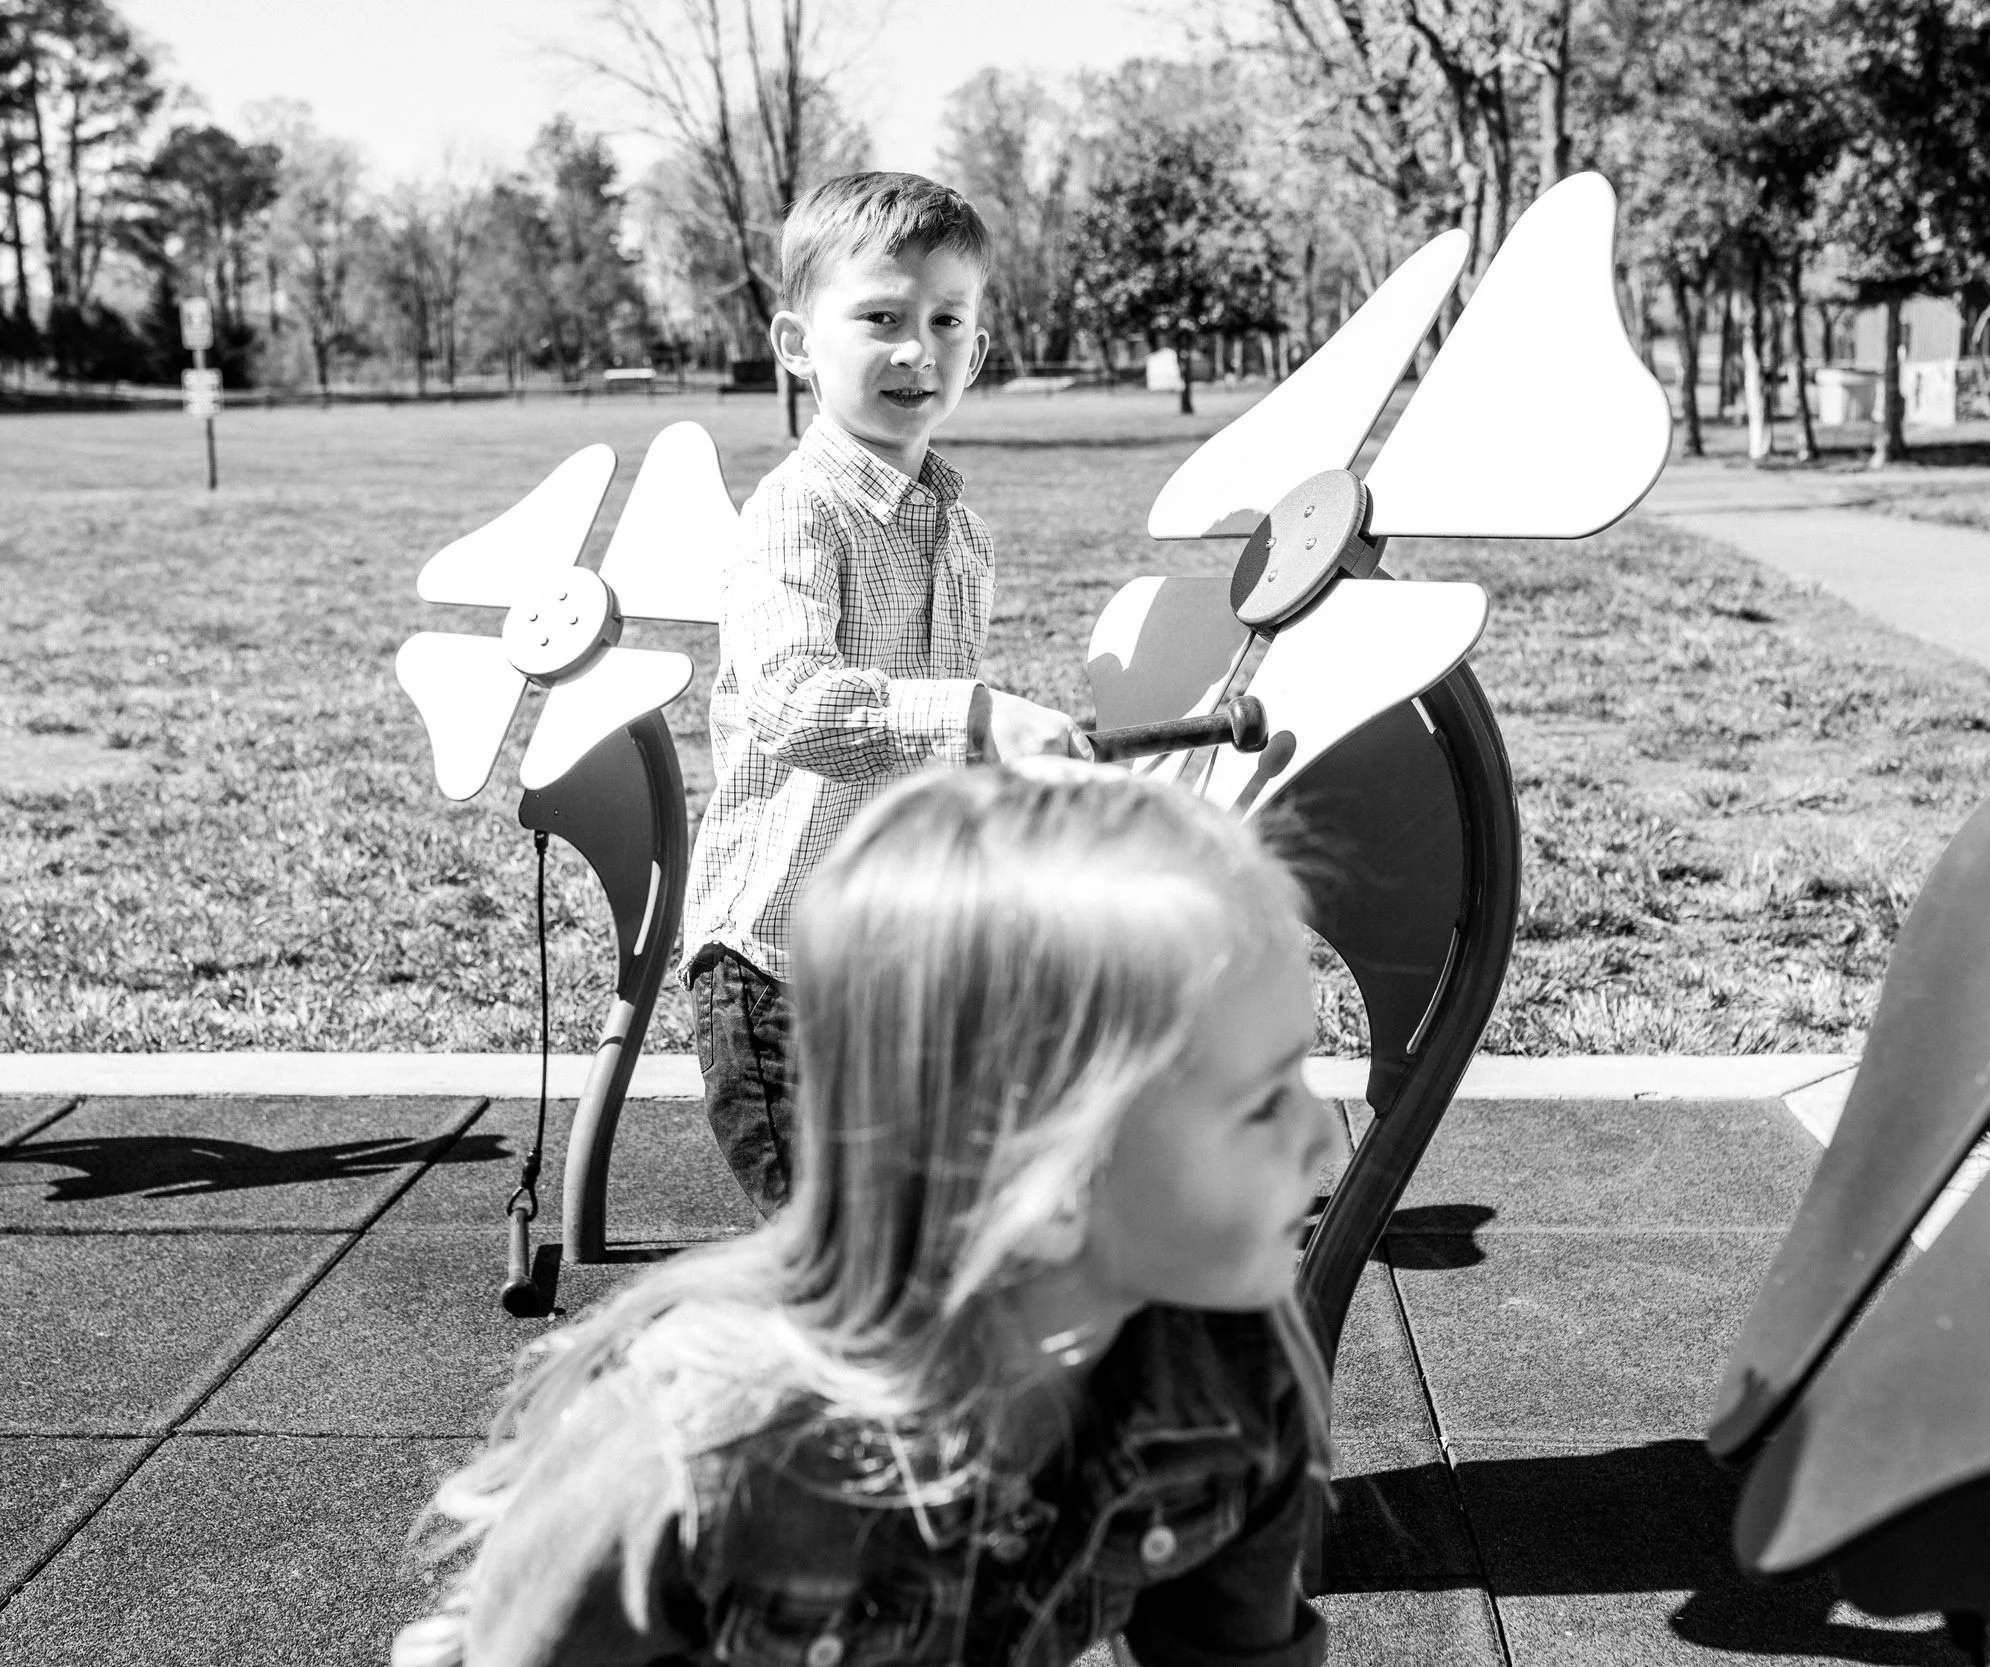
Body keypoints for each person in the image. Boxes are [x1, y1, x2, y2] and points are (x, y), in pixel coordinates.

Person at [395, 761, 1343, 1667]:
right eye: (1263, 1101)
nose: (1324, 1146)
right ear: (1036, 1180)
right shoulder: (697, 1452)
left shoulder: (1225, 1384)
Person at [682, 170, 1089, 1217]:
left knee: (952, 1234)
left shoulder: (958, 526)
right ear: (795, 344)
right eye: (880, 317)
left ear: (980, 349)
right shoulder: (794, 514)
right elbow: (787, 700)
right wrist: (974, 714)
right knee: (844, 1256)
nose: (917, 349)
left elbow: (941, 764)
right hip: (778, 972)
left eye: (946, 319)